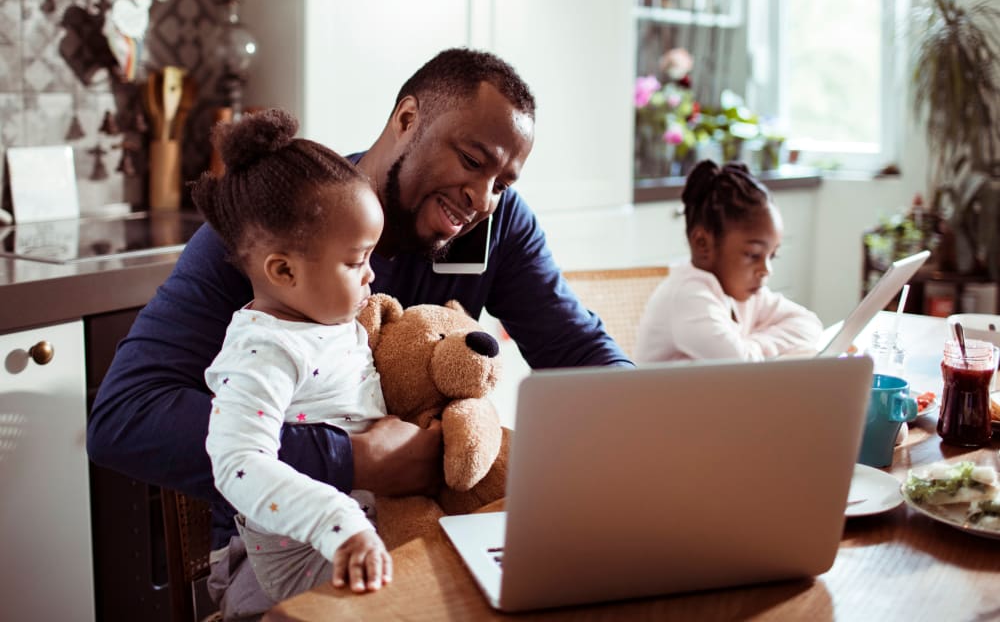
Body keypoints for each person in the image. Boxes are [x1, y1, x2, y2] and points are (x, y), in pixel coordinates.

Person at [87, 47, 632, 618]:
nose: (483, 198)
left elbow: (578, 350)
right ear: (406, 120)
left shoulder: (497, 225)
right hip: (292, 554)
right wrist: (352, 458)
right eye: (472, 159)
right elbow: (125, 418)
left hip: (424, 530)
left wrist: (658, 428)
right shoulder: (282, 229)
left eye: (503, 181)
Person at [193, 109, 391, 606]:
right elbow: (238, 462)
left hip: (367, 531)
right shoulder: (264, 350)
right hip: (310, 559)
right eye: (356, 261)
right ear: (283, 271)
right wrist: (336, 522)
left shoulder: (324, 321)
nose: (370, 276)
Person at [634, 159, 822, 363]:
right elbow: (740, 364)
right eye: (753, 255)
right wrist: (755, 348)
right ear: (702, 243)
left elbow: (809, 324)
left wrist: (754, 345)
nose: (766, 270)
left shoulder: (745, 293)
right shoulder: (687, 296)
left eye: (772, 256)